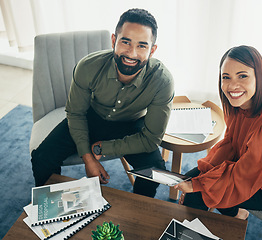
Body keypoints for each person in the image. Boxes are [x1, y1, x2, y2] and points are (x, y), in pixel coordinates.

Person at [31, 8, 174, 198]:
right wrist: (89, 159)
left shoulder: (162, 81)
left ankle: (138, 210)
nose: (131, 53)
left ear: (152, 50)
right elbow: (76, 113)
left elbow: (151, 139)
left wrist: (101, 149)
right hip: (92, 116)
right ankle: (49, 206)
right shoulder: (88, 67)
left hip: (131, 124)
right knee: (41, 157)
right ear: (114, 41)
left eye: (142, 46)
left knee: (154, 169)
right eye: (126, 42)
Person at [174, 45, 262, 219]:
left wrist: (199, 185)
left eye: (243, 76)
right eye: (226, 77)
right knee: (191, 178)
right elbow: (231, 143)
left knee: (198, 194)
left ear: (259, 77)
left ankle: (195, 230)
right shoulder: (241, 103)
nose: (232, 86)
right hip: (250, 163)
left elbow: (246, 175)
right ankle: (236, 214)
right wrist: (204, 172)